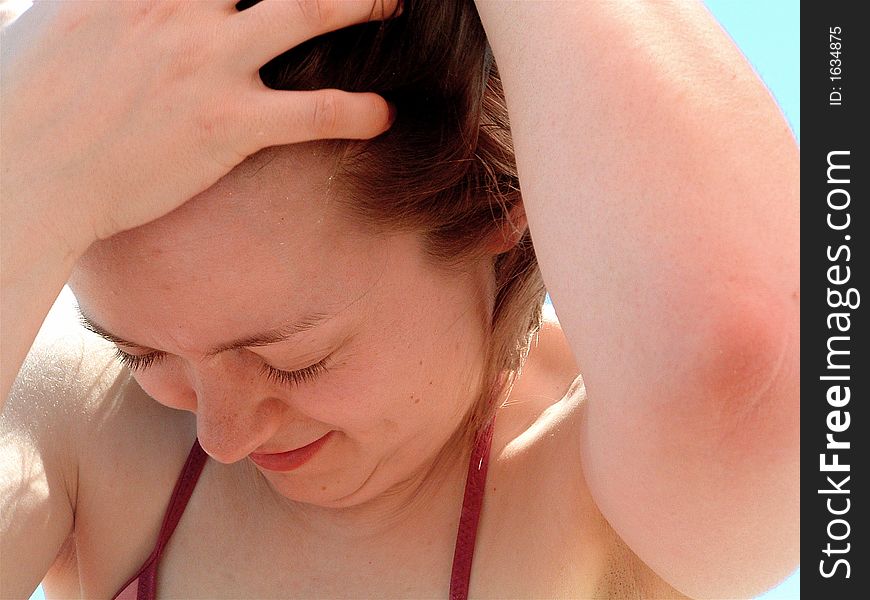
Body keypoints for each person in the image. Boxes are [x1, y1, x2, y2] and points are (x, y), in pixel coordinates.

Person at [1, 1, 799, 598]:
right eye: (141, 352)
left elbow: (743, 383)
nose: (221, 434)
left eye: (296, 361)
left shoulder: (590, 495)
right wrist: (19, 166)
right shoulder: (77, 418)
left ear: (493, 202)